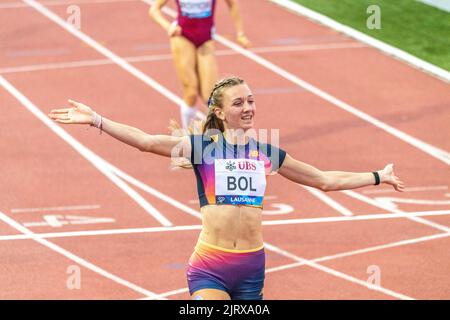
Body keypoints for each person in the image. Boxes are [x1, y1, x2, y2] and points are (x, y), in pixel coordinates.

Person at [48, 76, 405, 300]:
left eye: (250, 101)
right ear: (219, 112)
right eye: (239, 103)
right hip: (210, 265)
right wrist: (97, 120)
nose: (248, 107)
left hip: (253, 266)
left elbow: (325, 180)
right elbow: (144, 141)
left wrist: (378, 175)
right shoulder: (201, 148)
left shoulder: (267, 153)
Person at [148, 0, 250, 129]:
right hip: (182, 36)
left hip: (205, 38)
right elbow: (154, 9)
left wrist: (240, 33)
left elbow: (232, 4)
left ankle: (218, 138)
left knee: (211, 95)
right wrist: (168, 26)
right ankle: (188, 138)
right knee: (191, 91)